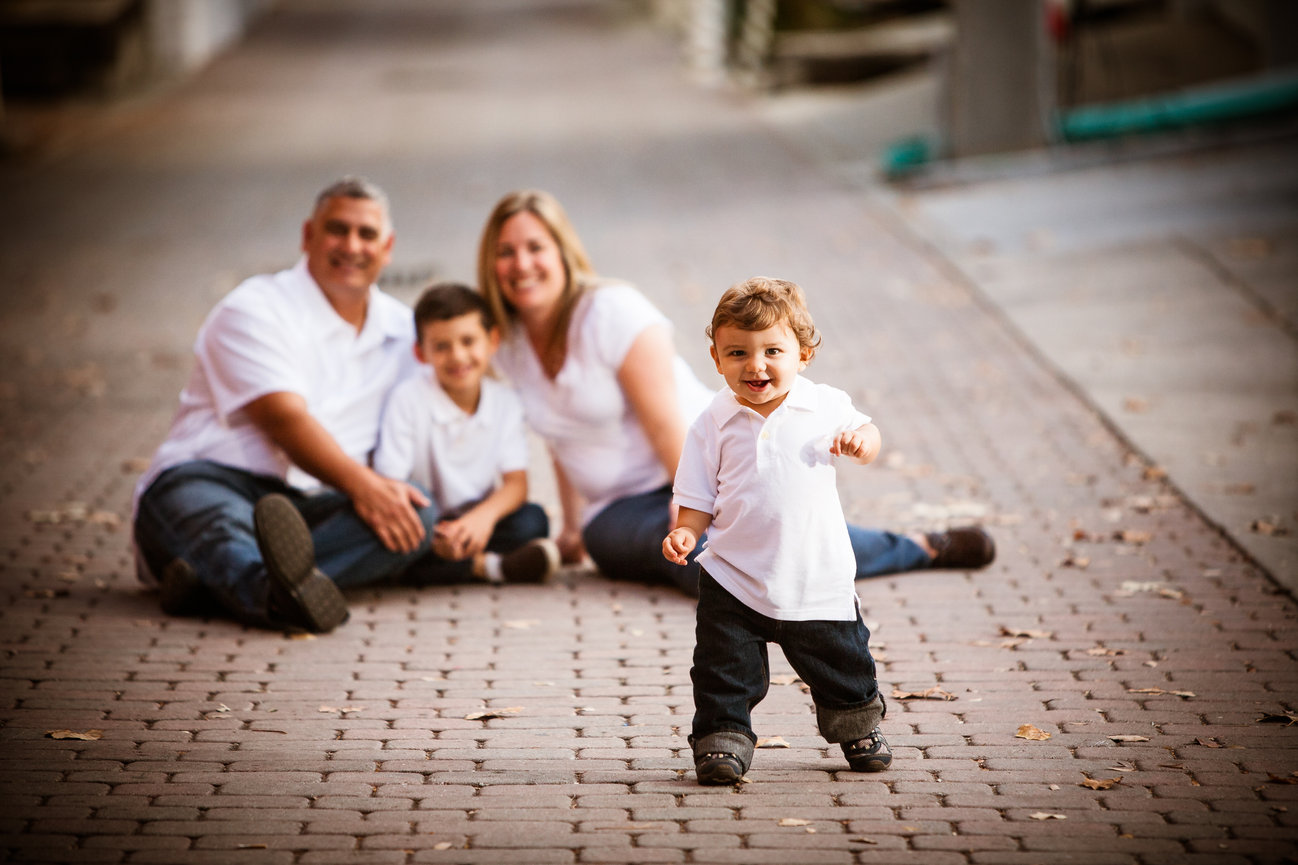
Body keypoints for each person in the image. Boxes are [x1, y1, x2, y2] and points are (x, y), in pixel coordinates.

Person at [476, 189, 995, 598]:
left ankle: (917, 549)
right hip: (616, 509)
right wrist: (570, 527)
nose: (522, 264)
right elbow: (561, 437)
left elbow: (665, 425)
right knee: (691, 566)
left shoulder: (611, 313)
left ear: (563, 253)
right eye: (506, 252)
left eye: (535, 247)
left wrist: (692, 506)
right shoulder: (509, 344)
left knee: (746, 551)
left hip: (703, 467)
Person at [131, 176, 438, 633]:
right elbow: (285, 420)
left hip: (312, 504)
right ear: (307, 236)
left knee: (417, 510)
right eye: (337, 229)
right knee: (222, 526)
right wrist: (365, 486)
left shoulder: (404, 332)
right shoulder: (254, 310)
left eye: (367, 234)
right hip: (210, 479)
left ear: (387, 247)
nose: (351, 245)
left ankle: (211, 585)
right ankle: (268, 591)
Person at [663, 276, 891, 784]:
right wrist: (685, 532)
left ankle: (856, 723)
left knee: (840, 660)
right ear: (716, 358)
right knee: (722, 669)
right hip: (733, 575)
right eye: (738, 352)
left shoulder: (824, 404)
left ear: (803, 354)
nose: (755, 365)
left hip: (813, 573)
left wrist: (861, 441)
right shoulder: (711, 423)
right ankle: (722, 739)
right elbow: (697, 497)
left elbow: (871, 434)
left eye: (772, 350)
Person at [373, 282, 559, 585]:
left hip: (476, 519)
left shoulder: (505, 401)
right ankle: (487, 567)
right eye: (442, 346)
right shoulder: (407, 399)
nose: (458, 356)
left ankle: (452, 562)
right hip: (425, 521)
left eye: (468, 341)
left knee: (532, 520)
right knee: (397, 540)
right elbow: (392, 484)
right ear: (420, 353)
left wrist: (481, 520)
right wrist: (434, 533)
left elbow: (516, 484)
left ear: (492, 340)